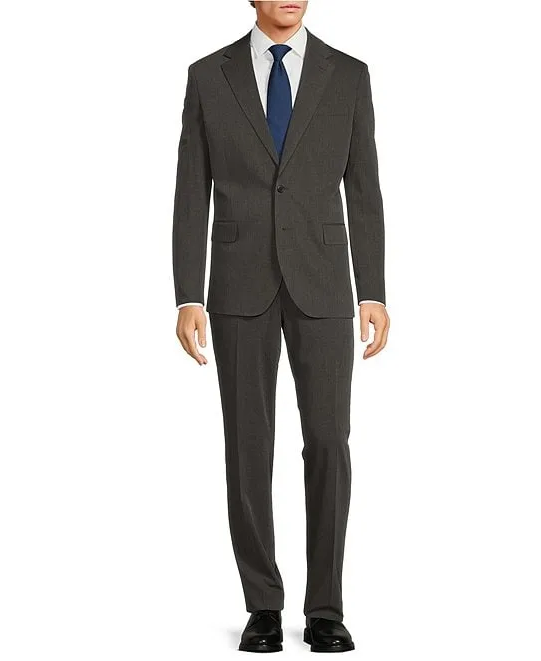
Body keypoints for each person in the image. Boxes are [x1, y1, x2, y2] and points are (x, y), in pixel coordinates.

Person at [172, 0, 389, 653]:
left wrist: (373, 290)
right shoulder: (208, 76)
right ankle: (262, 604)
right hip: (237, 284)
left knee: (328, 442)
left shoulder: (348, 75)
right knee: (247, 446)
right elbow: (191, 189)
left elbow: (364, 187)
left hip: (324, 283)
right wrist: (187, 295)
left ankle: (325, 607)